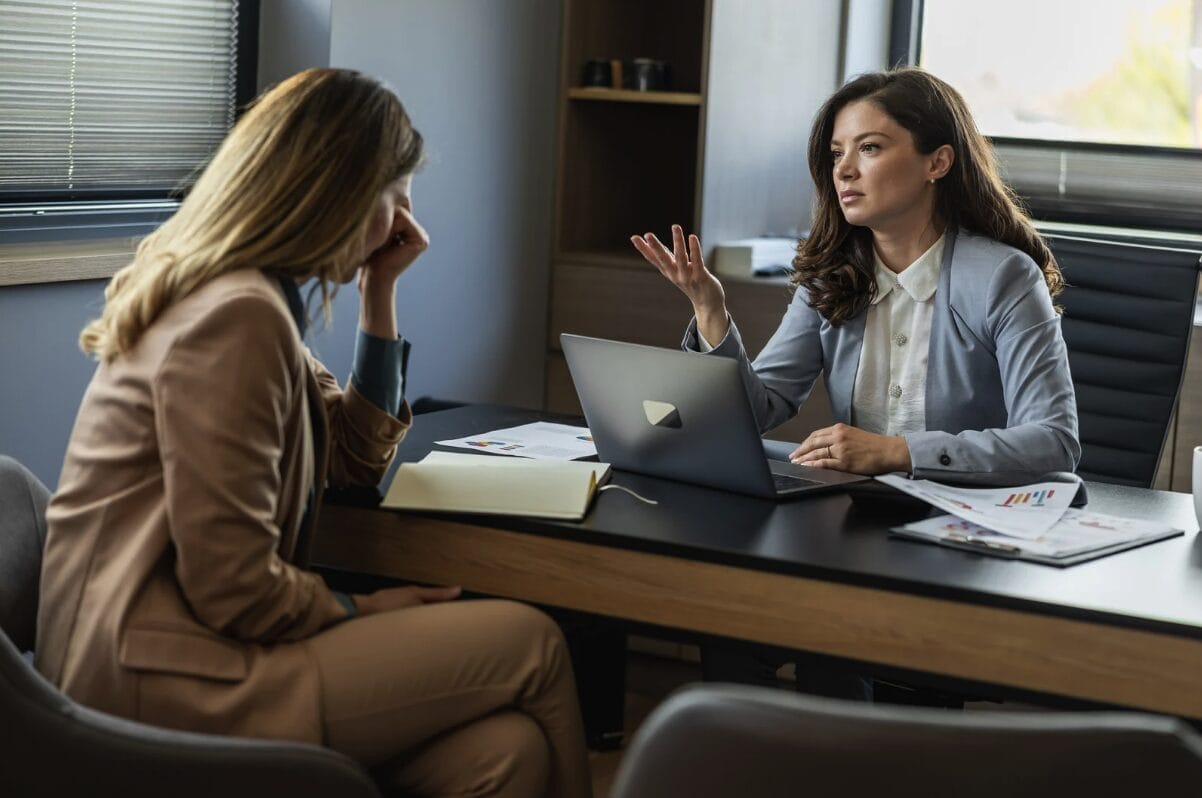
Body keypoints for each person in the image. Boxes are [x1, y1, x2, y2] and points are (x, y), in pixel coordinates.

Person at [36, 68, 592, 798]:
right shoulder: (237, 316)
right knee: (534, 644)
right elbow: (233, 591)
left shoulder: (247, 294)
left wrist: (379, 290)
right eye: (393, 200)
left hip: (175, 652)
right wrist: (356, 608)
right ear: (336, 191)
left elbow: (355, 455)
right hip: (157, 674)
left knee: (503, 753)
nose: (401, 225)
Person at [631, 67, 1080, 698]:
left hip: (959, 530)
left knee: (833, 635)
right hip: (858, 525)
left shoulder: (1003, 277)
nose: (845, 170)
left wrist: (897, 453)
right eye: (837, 153)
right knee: (730, 606)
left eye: (870, 148)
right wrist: (711, 310)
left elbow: (1052, 441)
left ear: (937, 162)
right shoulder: (831, 276)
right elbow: (758, 409)